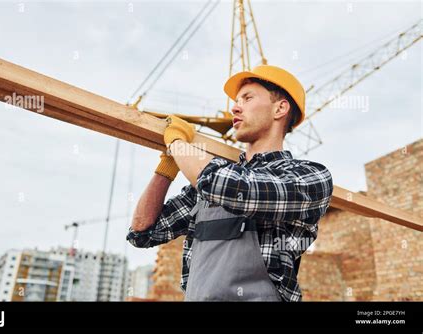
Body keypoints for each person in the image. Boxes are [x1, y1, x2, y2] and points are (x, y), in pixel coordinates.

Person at [126, 65, 334, 302]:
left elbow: (235, 188)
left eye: (247, 98)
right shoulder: (207, 185)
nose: (234, 107)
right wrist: (169, 164)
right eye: (236, 100)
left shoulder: (309, 177)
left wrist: (178, 144)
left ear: (280, 108)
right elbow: (142, 232)